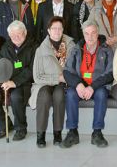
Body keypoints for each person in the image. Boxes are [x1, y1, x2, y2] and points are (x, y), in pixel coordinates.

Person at [61, 21, 113, 148]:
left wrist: (92, 87)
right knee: (70, 94)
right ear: (83, 34)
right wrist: (78, 85)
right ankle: (72, 132)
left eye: (93, 33)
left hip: (98, 86)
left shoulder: (106, 50)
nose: (90, 37)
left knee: (101, 94)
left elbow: (110, 73)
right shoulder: (76, 49)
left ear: (97, 33)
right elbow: (67, 71)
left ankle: (97, 132)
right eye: (87, 33)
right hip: (80, 86)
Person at [31, 16, 75, 148]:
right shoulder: (41, 49)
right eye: (54, 28)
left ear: (63, 30)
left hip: (63, 84)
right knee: (43, 96)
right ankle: (41, 134)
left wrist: (62, 79)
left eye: (59, 28)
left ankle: (57, 133)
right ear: (48, 31)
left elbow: (74, 69)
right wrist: (57, 78)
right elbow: (37, 76)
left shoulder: (71, 46)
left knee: (59, 95)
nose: (57, 31)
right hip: (44, 83)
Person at [0, 21, 37, 141]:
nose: (16, 37)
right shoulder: (5, 47)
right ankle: (4, 125)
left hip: (27, 82)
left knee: (16, 96)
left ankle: (21, 128)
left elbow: (32, 69)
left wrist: (15, 82)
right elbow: (0, 65)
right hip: (8, 81)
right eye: (13, 35)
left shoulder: (34, 46)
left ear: (25, 32)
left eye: (19, 34)